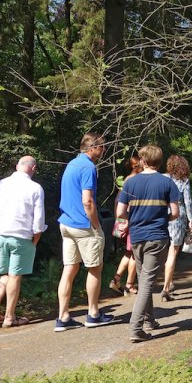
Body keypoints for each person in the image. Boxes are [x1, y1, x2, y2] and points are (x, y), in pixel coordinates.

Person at [116, 145, 180, 343]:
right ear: (160, 161)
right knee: (146, 283)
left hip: (137, 237)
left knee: (145, 279)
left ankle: (149, 321)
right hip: (157, 236)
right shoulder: (167, 183)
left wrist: (134, 219)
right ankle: (136, 328)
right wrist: (162, 218)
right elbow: (175, 213)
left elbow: (120, 213)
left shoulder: (130, 183)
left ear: (143, 161)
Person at [55, 132, 114, 331]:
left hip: (66, 223)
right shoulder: (88, 167)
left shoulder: (72, 164)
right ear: (92, 148)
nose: (104, 150)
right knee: (95, 268)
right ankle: (93, 314)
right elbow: (87, 201)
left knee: (69, 270)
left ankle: (63, 317)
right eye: (102, 147)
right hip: (83, 225)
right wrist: (97, 225)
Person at [0, 156, 46, 328]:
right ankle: (10, 317)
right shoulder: (35, 188)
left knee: (5, 274)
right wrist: (37, 236)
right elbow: (39, 218)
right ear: (33, 168)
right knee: (15, 276)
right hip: (21, 237)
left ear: (17, 166)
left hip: (0, 235)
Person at [109, 155, 142, 296]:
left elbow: (117, 200)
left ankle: (116, 279)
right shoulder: (135, 180)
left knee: (128, 252)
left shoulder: (127, 180)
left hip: (125, 220)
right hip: (132, 220)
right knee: (135, 253)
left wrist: (119, 220)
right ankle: (129, 284)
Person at [161, 154, 192, 301]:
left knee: (164, 251)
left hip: (162, 213)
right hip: (178, 215)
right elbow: (188, 202)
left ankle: (170, 281)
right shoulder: (183, 181)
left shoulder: (163, 178)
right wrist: (191, 221)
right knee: (173, 252)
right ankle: (166, 288)